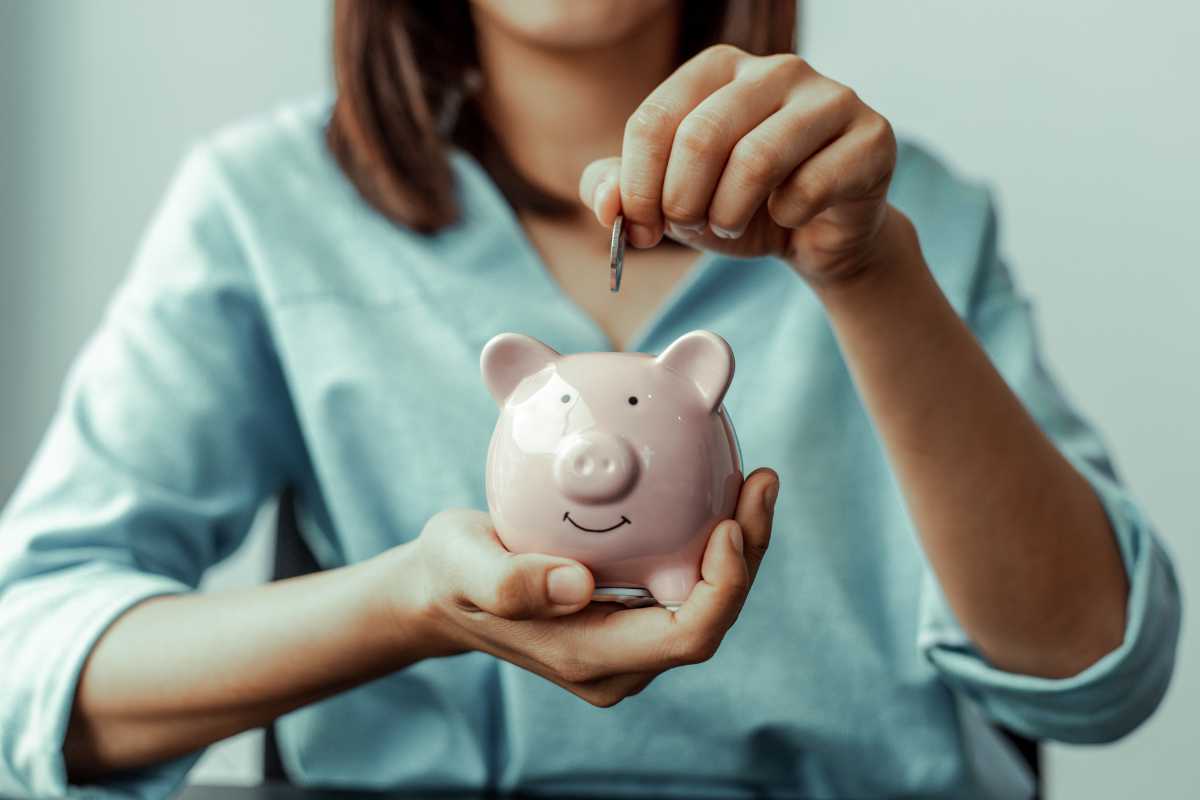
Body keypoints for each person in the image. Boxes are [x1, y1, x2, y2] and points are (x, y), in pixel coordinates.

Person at [0, 1, 1181, 798]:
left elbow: (1098, 667)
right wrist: (408, 599)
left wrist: (870, 275)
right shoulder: (264, 210)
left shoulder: (904, 221)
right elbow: (29, 663)